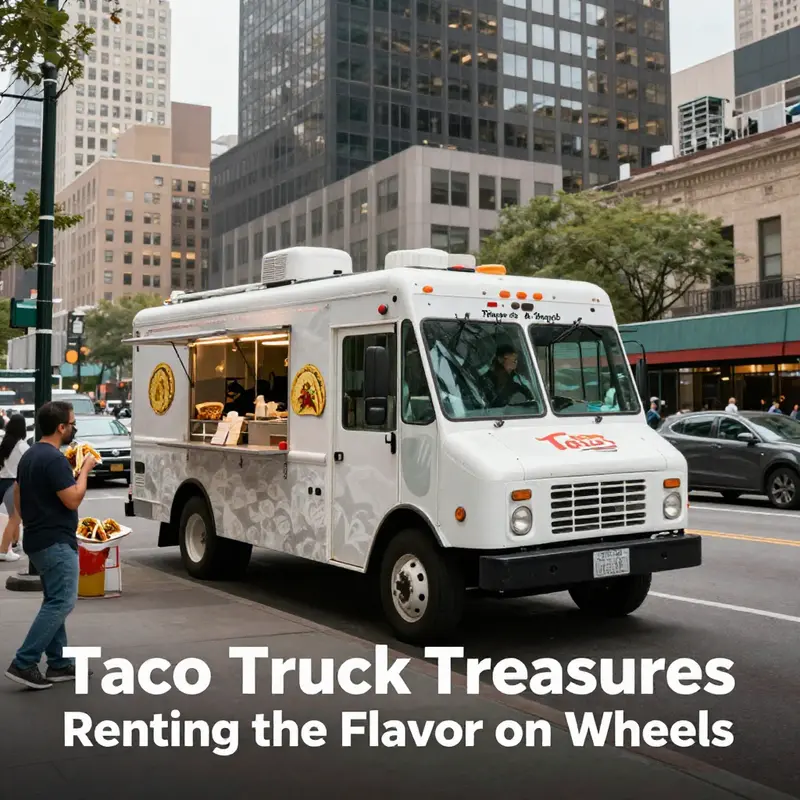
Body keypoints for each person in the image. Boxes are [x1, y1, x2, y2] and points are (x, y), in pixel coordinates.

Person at [4, 402, 96, 690]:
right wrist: (85, 470)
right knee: (62, 601)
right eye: (72, 423)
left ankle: (58, 663)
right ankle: (24, 662)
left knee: (53, 599)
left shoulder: (30, 454)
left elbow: (18, 495)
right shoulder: (55, 460)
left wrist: (29, 521)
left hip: (37, 538)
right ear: (61, 427)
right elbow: (72, 499)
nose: (74, 428)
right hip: (56, 541)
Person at [0, 415, 29, 561]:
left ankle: (15, 544)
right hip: (12, 484)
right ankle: (4, 550)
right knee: (15, 518)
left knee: (14, 516)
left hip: (1, 481)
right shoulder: (22, 446)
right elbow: (31, 460)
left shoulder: (5, 443)